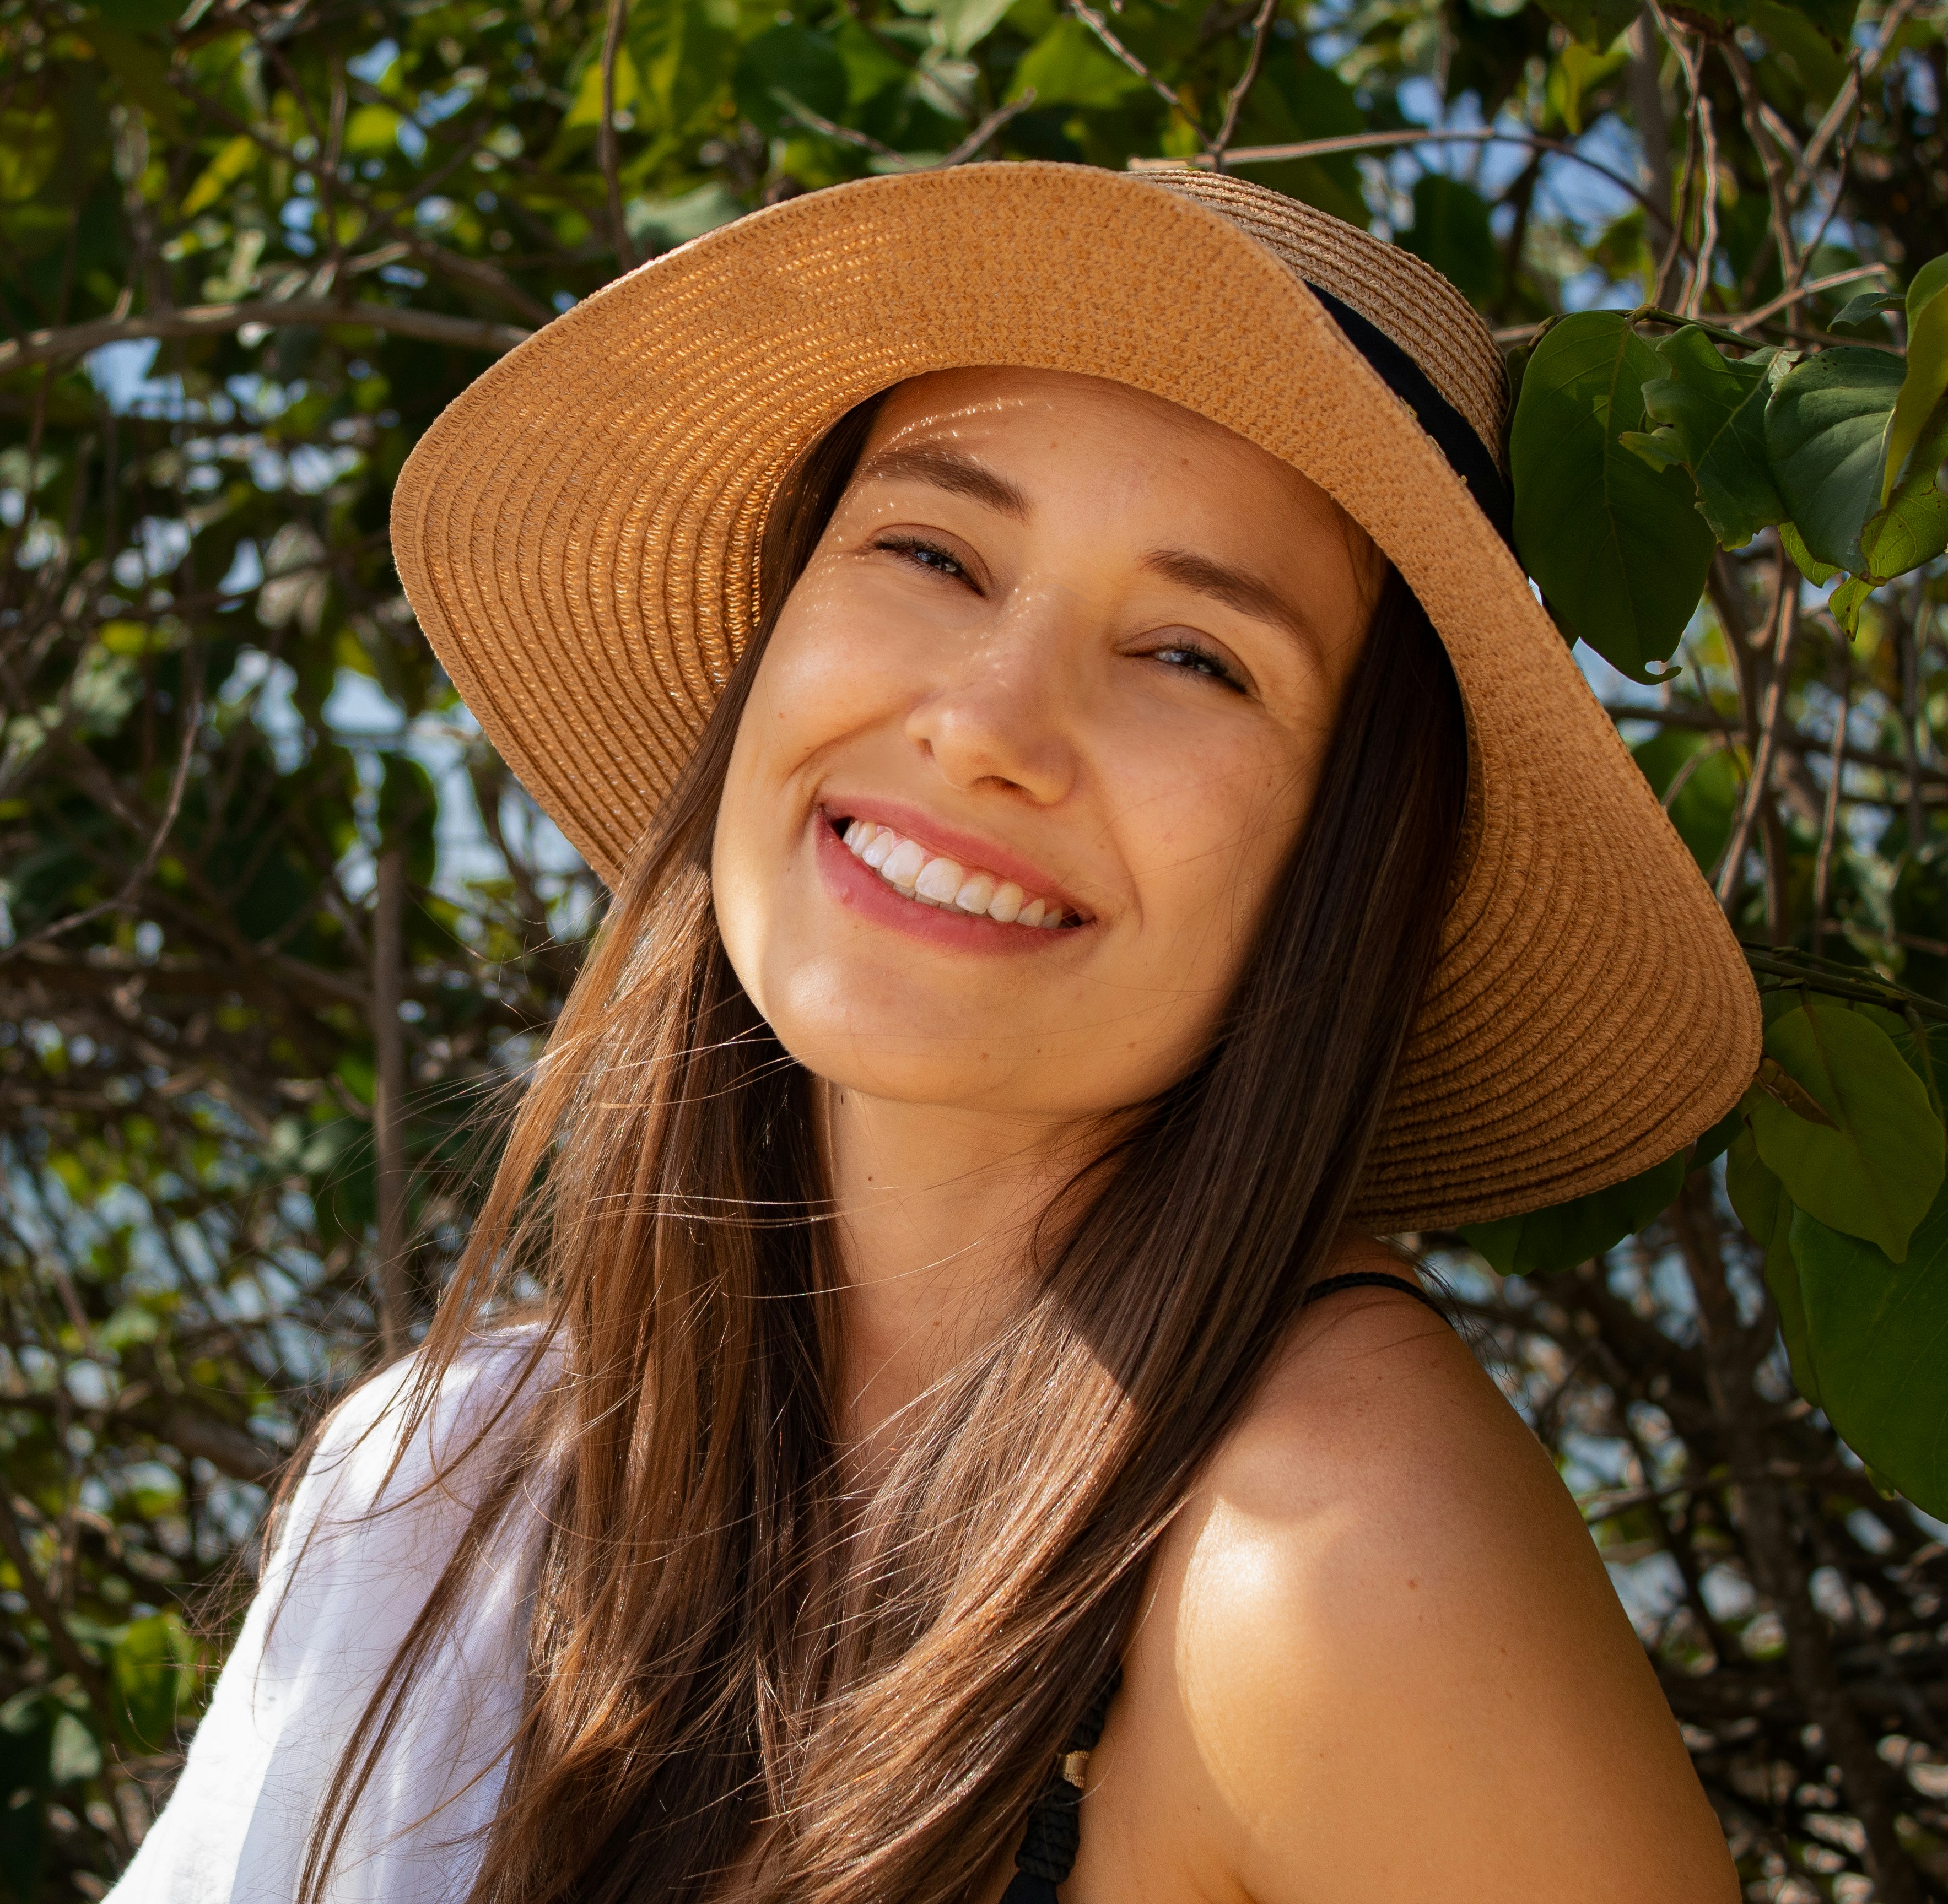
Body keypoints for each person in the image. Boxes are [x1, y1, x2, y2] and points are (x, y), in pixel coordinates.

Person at [110, 163, 1756, 1904]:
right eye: (930, 550)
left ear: (1344, 865)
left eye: (1197, 656)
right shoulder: (448, 1490)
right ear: (771, 633)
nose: (987, 725)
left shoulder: (1331, 1563)